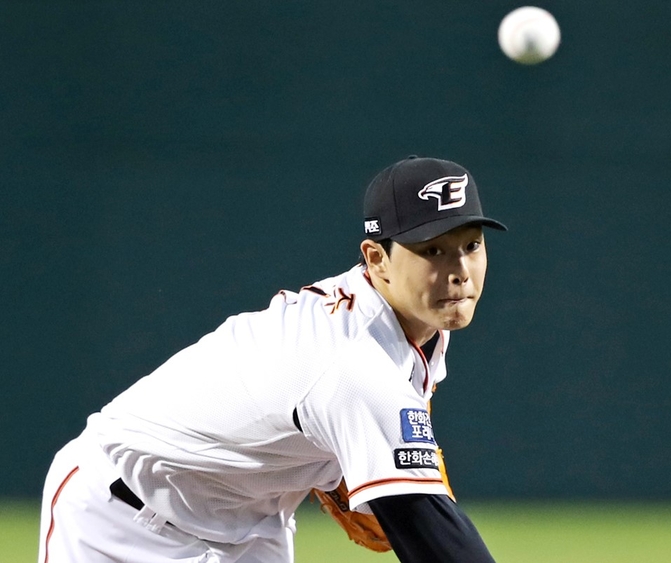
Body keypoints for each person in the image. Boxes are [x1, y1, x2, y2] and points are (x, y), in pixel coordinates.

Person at [38, 155, 506, 563]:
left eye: (471, 246)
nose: (459, 272)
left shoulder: (416, 323)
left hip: (251, 528)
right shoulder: (353, 360)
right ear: (376, 258)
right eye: (432, 250)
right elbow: (429, 534)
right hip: (119, 515)